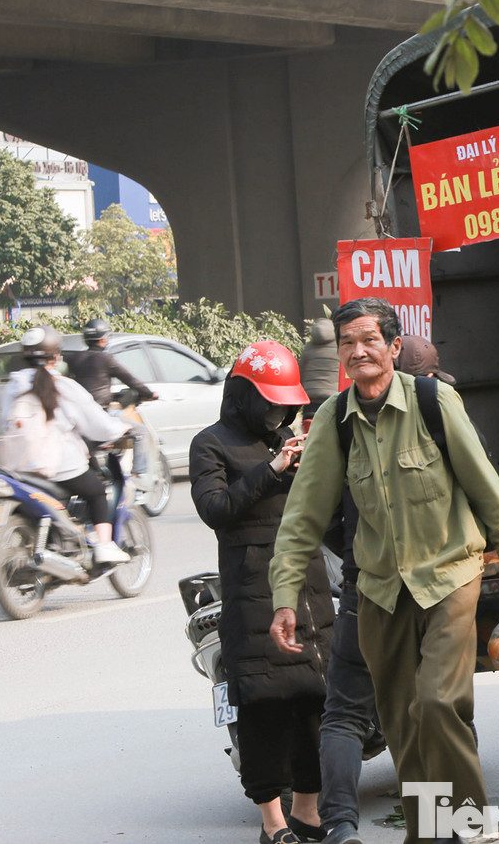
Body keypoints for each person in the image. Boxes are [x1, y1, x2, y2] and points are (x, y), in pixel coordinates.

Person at [268, 297, 499, 844]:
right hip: (380, 591)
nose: (358, 351)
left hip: (448, 577)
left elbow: (487, 489)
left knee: (439, 705)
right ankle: (430, 834)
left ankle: (466, 828)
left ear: (394, 347)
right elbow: (303, 517)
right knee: (402, 728)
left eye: (369, 340)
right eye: (348, 342)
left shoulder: (435, 402)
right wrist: (284, 594)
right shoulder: (333, 421)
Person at [190, 339, 337, 844]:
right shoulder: (210, 443)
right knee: (262, 705)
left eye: (285, 403)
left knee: (315, 701)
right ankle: (273, 823)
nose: (279, 411)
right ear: (244, 395)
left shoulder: (291, 440)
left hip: (308, 584)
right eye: (270, 401)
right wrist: (270, 472)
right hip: (250, 587)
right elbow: (216, 509)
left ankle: (309, 812)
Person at [0, 325, 132, 564]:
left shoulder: (13, 386)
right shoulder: (63, 386)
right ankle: (103, 546)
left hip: (20, 469)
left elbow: (4, 421)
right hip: (60, 467)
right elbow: (97, 425)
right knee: (97, 492)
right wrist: (121, 428)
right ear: (57, 356)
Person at [67, 317, 159, 481]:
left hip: (77, 419)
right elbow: (130, 380)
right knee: (140, 432)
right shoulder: (106, 359)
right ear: (103, 339)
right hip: (101, 417)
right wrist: (150, 393)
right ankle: (139, 476)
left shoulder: (73, 360)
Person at [298, 316, 341, 409]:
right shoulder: (339, 346)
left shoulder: (309, 347)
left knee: (309, 422)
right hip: (332, 395)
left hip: (310, 395)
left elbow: (301, 371)